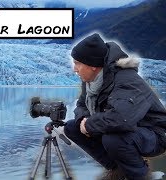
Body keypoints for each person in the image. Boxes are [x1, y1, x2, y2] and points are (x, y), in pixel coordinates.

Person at [63, 33, 166, 180]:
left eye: (77, 63)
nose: (74, 69)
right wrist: (83, 121)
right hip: (127, 130)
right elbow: (81, 105)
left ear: (92, 65)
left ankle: (140, 176)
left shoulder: (126, 80)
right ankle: (117, 169)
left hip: (155, 134)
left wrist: (90, 125)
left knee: (113, 139)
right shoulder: (92, 82)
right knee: (72, 127)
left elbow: (121, 119)